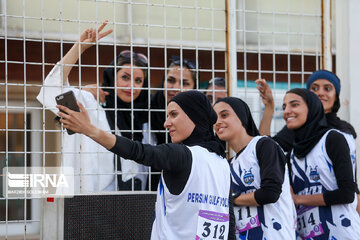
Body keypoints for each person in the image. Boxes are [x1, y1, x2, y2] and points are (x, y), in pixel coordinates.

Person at [56, 90, 235, 240]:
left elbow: (137, 151)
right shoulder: (222, 163)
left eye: (174, 114)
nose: (166, 123)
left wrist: (89, 129)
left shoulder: (183, 155)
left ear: (195, 115)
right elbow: (229, 221)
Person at [37, 21, 150, 192]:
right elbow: (53, 89)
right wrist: (80, 47)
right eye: (125, 77)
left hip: (131, 205)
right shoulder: (90, 103)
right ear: (112, 77)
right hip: (88, 203)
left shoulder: (145, 119)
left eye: (138, 80)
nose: (131, 86)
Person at [213, 97, 296, 240]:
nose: (218, 122)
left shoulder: (264, 145)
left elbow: (270, 193)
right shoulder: (228, 164)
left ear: (241, 116)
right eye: (214, 118)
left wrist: (232, 198)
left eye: (224, 115)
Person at [283, 88, 360, 239]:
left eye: (294, 105)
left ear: (312, 108)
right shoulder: (292, 153)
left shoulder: (332, 138)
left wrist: (298, 199)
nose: (287, 111)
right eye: (284, 106)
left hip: (341, 234)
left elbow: (347, 194)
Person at [149, 56, 197, 190]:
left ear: (194, 87)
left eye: (185, 83)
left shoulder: (201, 118)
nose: (176, 88)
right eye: (170, 80)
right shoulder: (147, 107)